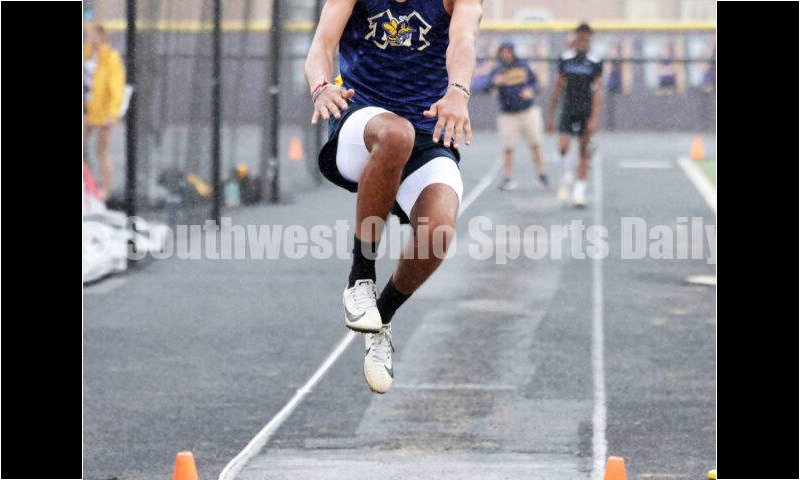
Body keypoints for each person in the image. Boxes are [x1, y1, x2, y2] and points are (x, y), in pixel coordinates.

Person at [305, 0, 482, 393]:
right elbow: (322, 45)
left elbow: (463, 40)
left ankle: (381, 319)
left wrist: (458, 91)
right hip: (363, 123)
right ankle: (360, 278)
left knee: (438, 232)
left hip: (427, 130)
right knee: (395, 134)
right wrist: (320, 88)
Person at [546, 22, 603, 208]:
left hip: (585, 111)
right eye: (580, 38)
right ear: (575, 38)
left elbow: (598, 91)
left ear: (590, 40)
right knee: (563, 146)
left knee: (584, 151)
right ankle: (566, 176)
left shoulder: (595, 61)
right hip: (568, 109)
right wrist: (551, 115)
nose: (583, 42)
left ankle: (579, 191)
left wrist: (594, 117)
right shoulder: (566, 59)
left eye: (587, 39)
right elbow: (557, 87)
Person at [486, 42, 547, 191]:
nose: (506, 55)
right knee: (508, 148)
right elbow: (485, 87)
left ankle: (541, 174)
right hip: (508, 114)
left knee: (535, 144)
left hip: (528, 111)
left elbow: (536, 84)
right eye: (503, 52)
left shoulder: (523, 66)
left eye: (508, 52)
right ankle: (507, 178)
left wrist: (531, 90)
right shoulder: (498, 70)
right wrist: (494, 83)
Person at [83, 22, 125, 201]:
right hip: (88, 109)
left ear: (101, 36)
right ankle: (88, 185)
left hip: (104, 111)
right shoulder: (87, 54)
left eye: (93, 35)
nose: (90, 39)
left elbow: (116, 87)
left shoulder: (110, 57)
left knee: (102, 150)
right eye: (88, 35)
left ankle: (105, 191)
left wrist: (112, 114)